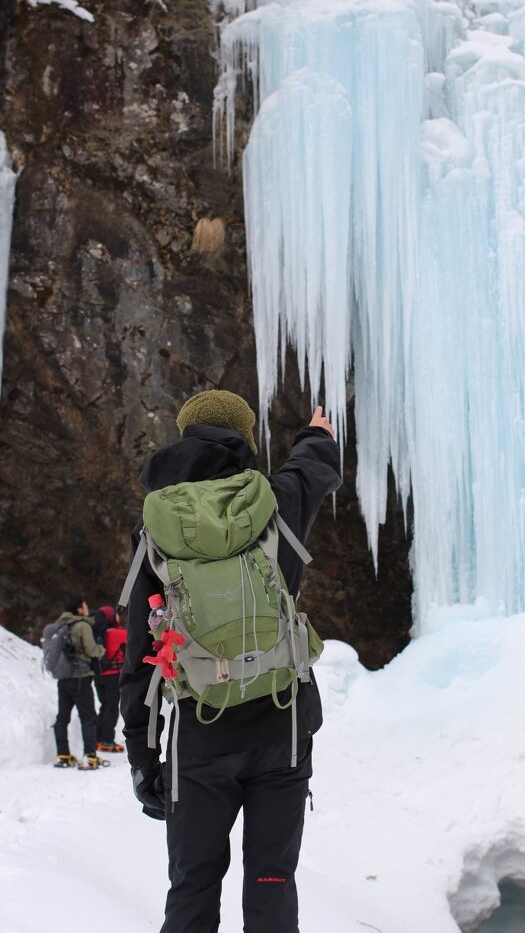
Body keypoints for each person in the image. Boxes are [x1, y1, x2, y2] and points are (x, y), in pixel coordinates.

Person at [120, 389, 341, 933]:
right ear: (244, 436)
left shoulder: (154, 528)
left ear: (184, 433)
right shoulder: (276, 502)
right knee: (271, 883)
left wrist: (144, 757)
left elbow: (141, 653)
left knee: (192, 885)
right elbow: (313, 468)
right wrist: (318, 435)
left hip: (198, 739)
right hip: (281, 729)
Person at [53, 594, 105, 770]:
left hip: (63, 678)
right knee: (88, 717)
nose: (87, 608)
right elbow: (91, 650)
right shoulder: (82, 625)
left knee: (62, 718)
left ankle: (63, 756)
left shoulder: (59, 625)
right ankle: (90, 757)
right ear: (79, 609)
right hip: (81, 678)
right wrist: (101, 649)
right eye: (85, 605)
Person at [94, 605, 127, 753]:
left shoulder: (96, 634)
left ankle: (98, 738)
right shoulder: (119, 633)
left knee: (104, 706)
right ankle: (107, 740)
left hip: (98, 675)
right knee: (112, 708)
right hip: (113, 675)